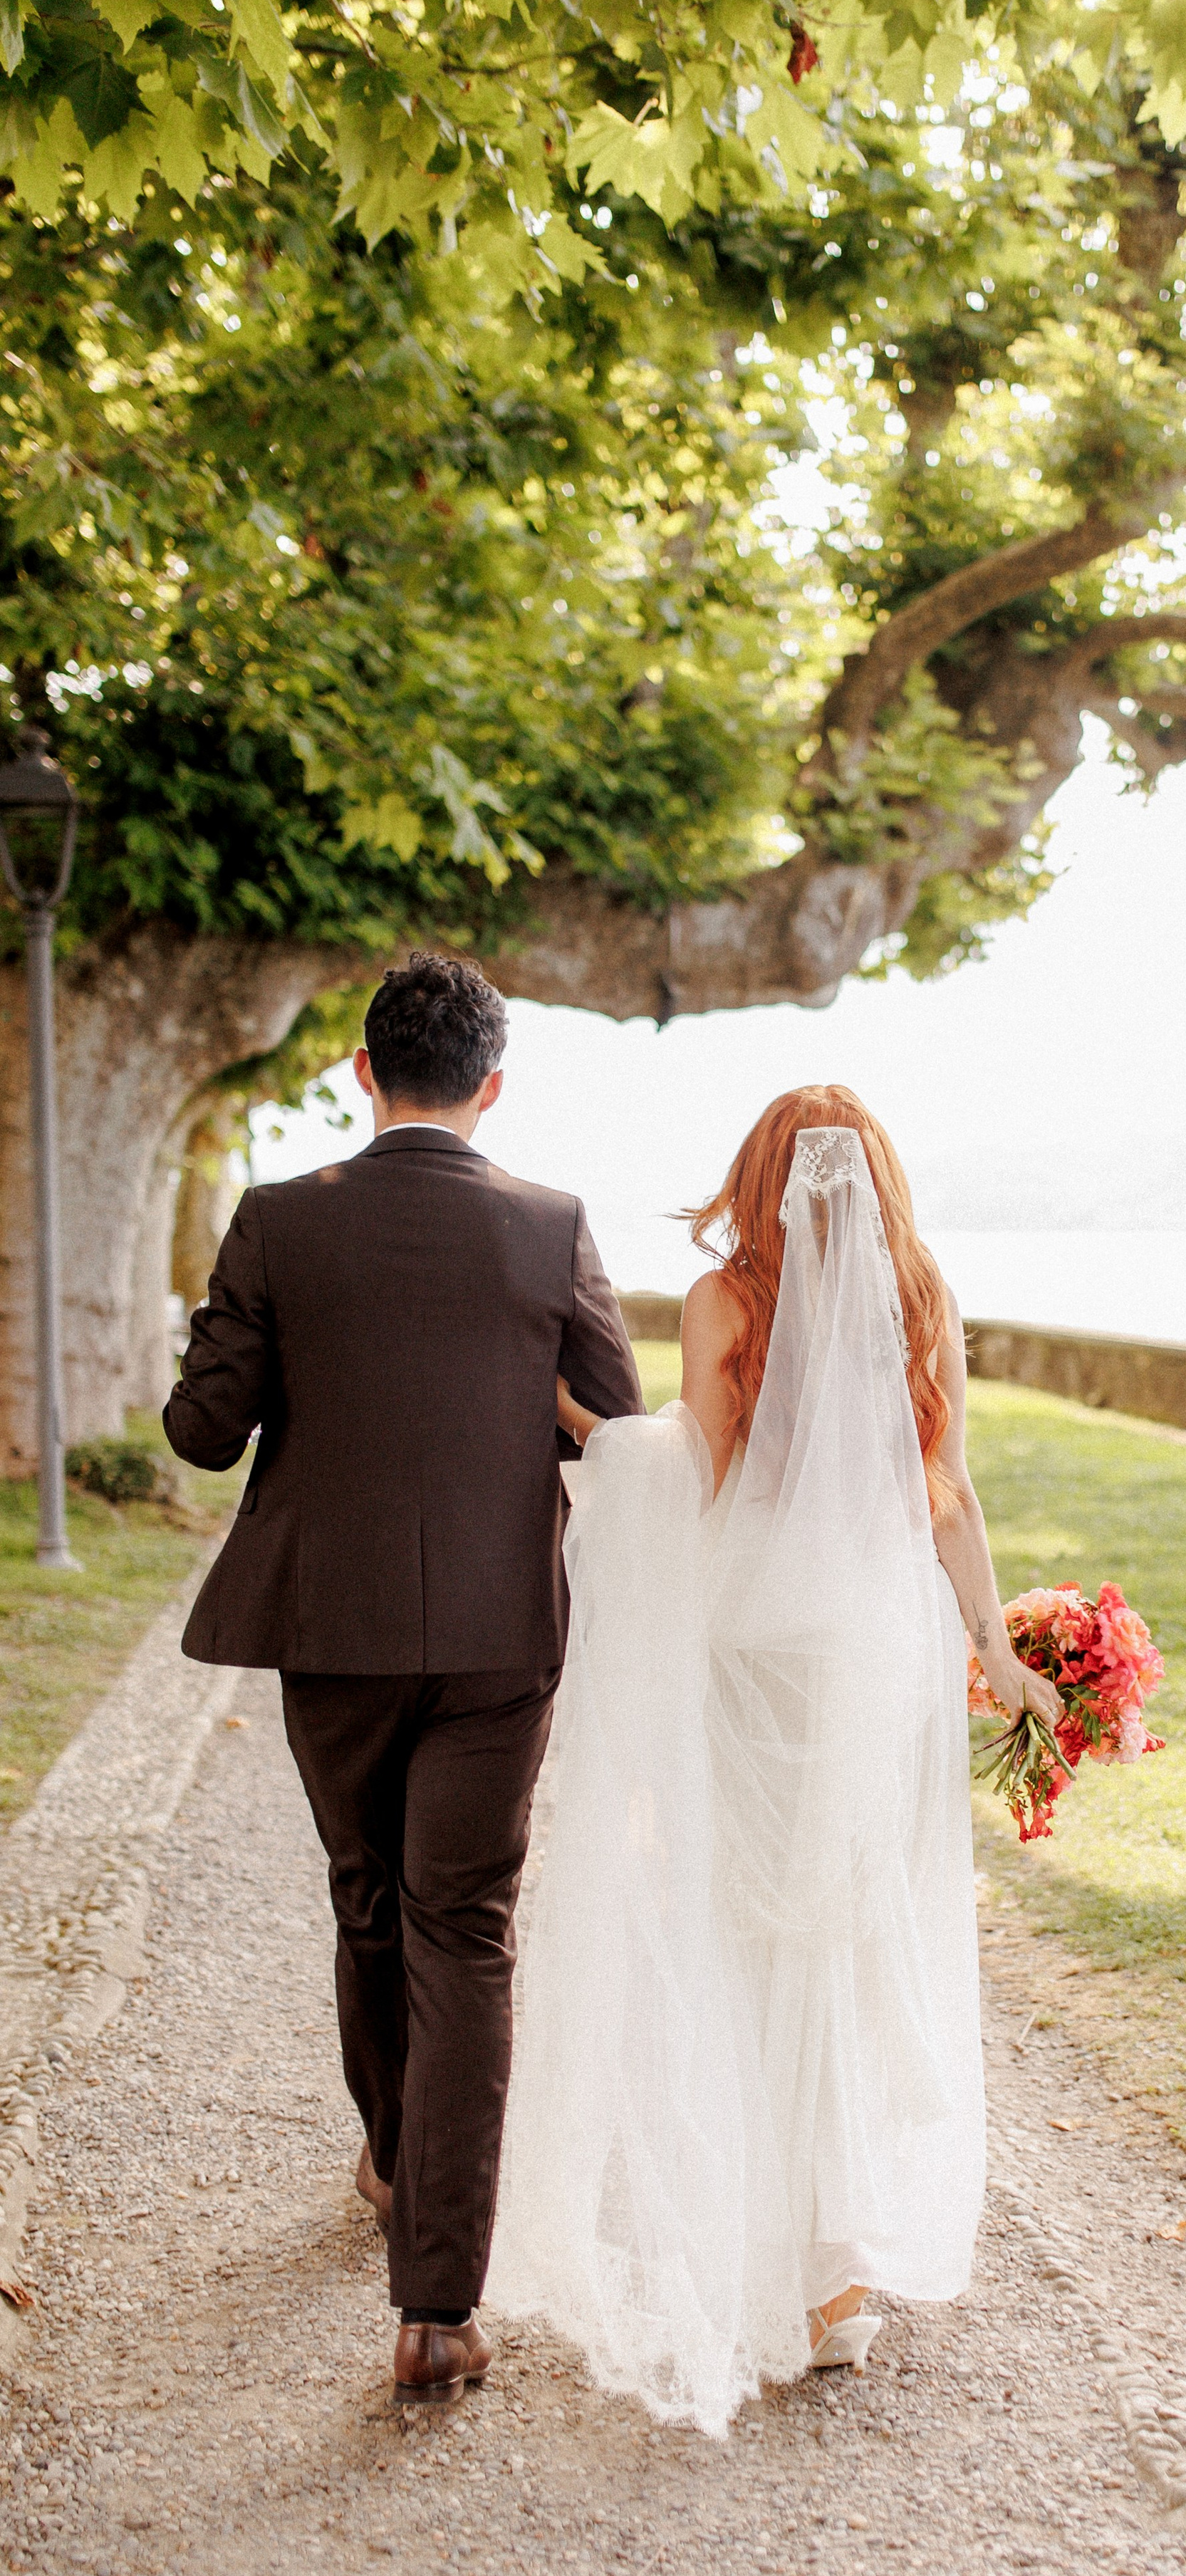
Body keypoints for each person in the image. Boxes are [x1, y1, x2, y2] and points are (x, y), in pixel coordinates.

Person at [489, 1085, 1061, 2434]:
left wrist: (588, 1434)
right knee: (848, 1944)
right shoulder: (922, 1297)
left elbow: (698, 1472)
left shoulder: (722, 1301)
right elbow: (953, 1492)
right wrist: (998, 1645)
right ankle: (835, 2272)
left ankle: (762, 2252)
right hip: (875, 1652)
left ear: (760, 1175)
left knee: (749, 1939)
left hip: (753, 1645)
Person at [164, 952, 644, 2406]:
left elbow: (201, 1430)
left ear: (361, 1073)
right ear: (490, 1085)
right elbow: (614, 1422)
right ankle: (439, 2303)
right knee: (467, 1929)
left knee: (370, 1900)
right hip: (503, 1633)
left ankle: (390, 2153)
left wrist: (232, 1332)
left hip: (336, 1625)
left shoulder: (275, 1221)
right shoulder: (548, 1224)